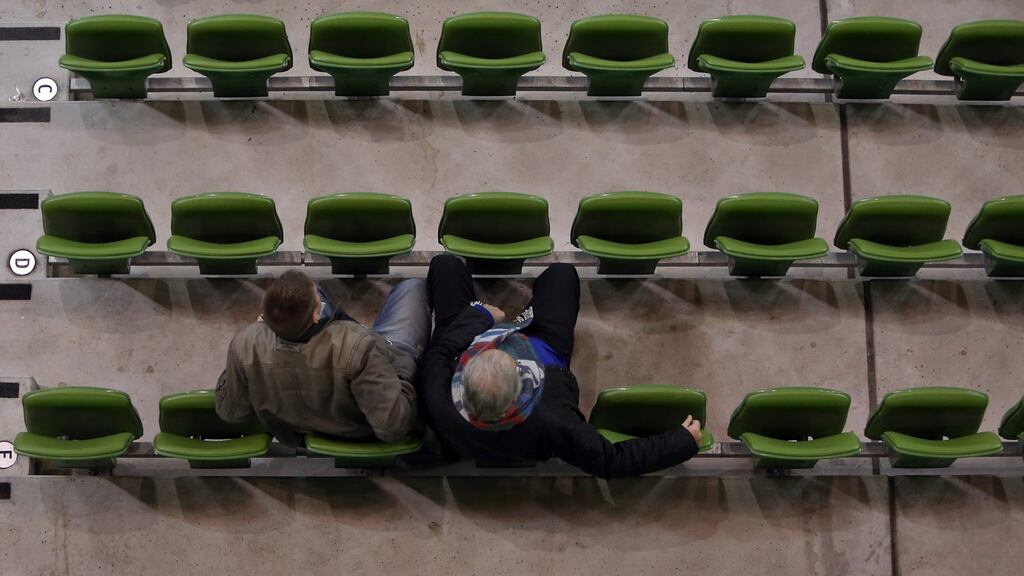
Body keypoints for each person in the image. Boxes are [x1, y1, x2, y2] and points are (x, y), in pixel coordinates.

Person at [418, 254, 702, 478]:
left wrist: (480, 316)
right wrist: (682, 441)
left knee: (445, 266)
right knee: (561, 274)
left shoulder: (438, 399)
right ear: (521, 389)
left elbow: (438, 354)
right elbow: (611, 460)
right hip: (544, 345)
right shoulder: (552, 419)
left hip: (467, 334)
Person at [215, 270, 430, 447]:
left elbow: (230, 412)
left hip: (294, 431)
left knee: (311, 288)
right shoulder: (357, 347)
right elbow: (392, 427)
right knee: (413, 287)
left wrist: (239, 361)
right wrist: (403, 376)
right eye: (318, 304)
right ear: (316, 315)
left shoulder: (245, 342)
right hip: (354, 430)